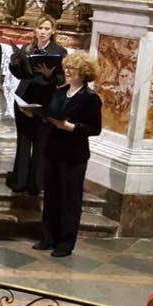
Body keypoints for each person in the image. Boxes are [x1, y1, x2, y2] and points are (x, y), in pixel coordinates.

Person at [34, 52, 102, 258]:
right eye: (67, 68)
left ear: (84, 74)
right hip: (53, 149)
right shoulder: (60, 92)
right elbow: (50, 112)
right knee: (52, 195)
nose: (68, 72)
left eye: (73, 69)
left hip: (74, 154)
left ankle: (65, 243)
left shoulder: (91, 98)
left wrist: (70, 127)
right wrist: (39, 115)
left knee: (69, 199)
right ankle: (48, 238)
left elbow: (95, 128)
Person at [7, 14, 67, 195]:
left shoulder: (59, 51)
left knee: (41, 143)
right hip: (25, 98)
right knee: (23, 142)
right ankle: (20, 181)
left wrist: (50, 75)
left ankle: (35, 184)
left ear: (53, 31)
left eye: (47, 28)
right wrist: (14, 63)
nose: (43, 32)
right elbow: (20, 74)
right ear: (35, 30)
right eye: (40, 28)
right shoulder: (28, 48)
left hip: (45, 102)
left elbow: (62, 80)